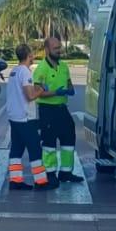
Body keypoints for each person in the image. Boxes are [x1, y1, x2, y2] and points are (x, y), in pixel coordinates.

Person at [34, 34, 81, 184]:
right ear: (47, 50)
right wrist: (56, 92)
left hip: (62, 109)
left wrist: (70, 89)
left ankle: (66, 172)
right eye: (55, 48)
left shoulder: (64, 66)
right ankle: (50, 173)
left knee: (69, 138)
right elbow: (36, 92)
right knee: (49, 143)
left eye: (60, 47)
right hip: (47, 110)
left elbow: (69, 83)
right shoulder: (41, 69)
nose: (59, 51)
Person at [4, 43, 49, 191]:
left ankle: (15, 180)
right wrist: (41, 89)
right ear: (29, 55)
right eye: (32, 54)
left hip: (14, 116)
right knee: (35, 148)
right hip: (25, 118)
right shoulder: (25, 72)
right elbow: (30, 96)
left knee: (16, 149)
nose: (34, 56)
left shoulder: (14, 71)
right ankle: (41, 182)